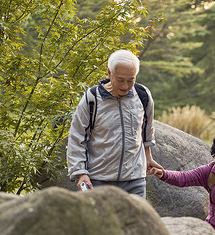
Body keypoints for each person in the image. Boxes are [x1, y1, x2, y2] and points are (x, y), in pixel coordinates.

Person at [67, 49, 162, 198]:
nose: (125, 85)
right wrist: (80, 173)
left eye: (131, 80)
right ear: (109, 73)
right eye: (120, 79)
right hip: (98, 180)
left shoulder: (143, 95)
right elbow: (77, 138)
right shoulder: (92, 99)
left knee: (136, 221)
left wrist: (148, 158)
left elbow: (146, 132)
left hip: (135, 180)